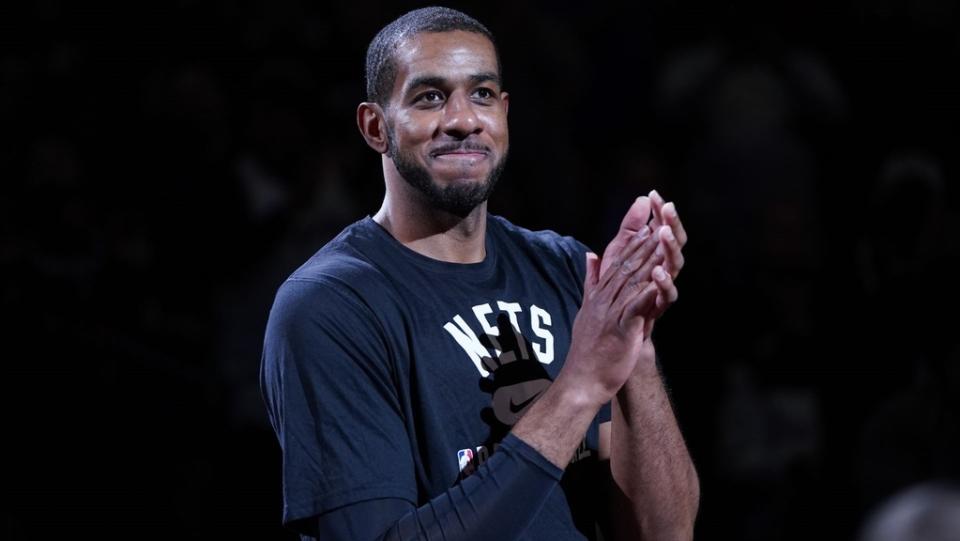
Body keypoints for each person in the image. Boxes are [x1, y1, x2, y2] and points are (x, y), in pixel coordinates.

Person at [260, 7, 699, 540]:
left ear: (505, 112)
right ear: (376, 127)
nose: (464, 119)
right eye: (430, 97)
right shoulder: (331, 306)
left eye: (482, 94)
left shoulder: (565, 267)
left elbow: (666, 533)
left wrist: (636, 348)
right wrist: (580, 384)